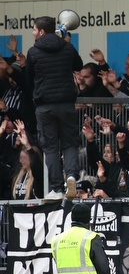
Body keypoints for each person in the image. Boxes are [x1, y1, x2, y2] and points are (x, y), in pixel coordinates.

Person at [25, 16, 83, 199]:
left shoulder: (33, 52)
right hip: (66, 104)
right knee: (70, 144)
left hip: (44, 107)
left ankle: (57, 189)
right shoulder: (67, 47)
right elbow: (79, 65)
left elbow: (29, 79)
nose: (33, 33)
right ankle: (72, 176)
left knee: (50, 148)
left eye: (34, 30)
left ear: (41, 32)